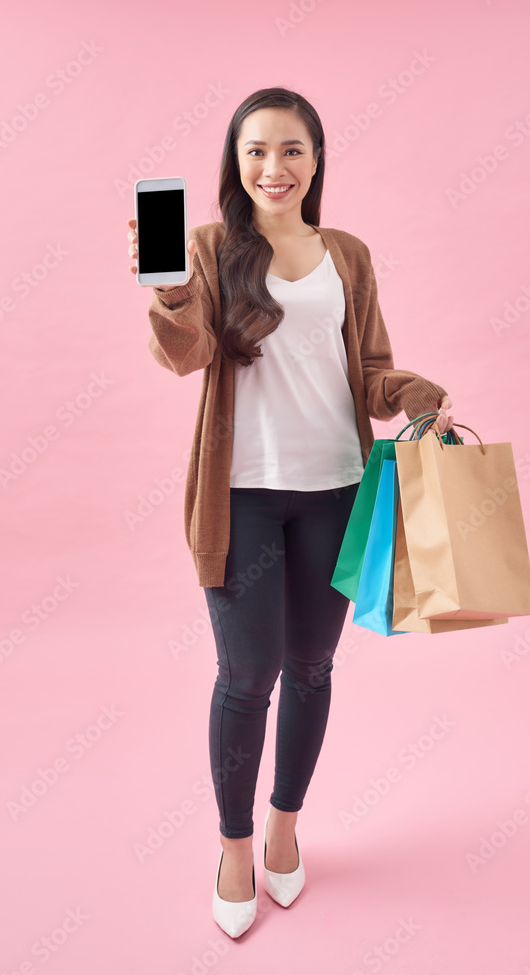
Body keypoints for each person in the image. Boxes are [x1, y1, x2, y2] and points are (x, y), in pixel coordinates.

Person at [127, 86, 453, 938]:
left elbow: (368, 370)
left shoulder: (346, 253)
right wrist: (166, 294)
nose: (274, 168)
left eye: (292, 150)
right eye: (256, 151)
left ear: (315, 159)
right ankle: (234, 846)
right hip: (240, 500)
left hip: (337, 493)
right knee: (246, 678)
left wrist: (416, 393)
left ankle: (284, 827)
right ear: (236, 164)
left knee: (312, 668)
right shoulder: (207, 247)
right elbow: (186, 355)